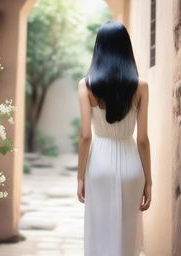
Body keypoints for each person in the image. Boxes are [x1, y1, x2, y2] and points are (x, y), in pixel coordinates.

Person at [77, 20, 152, 256]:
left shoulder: (86, 85)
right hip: (131, 165)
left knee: (98, 230)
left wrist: (80, 177)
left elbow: (85, 136)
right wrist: (149, 180)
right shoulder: (141, 86)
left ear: (98, 48)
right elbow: (142, 140)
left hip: (98, 164)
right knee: (128, 234)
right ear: (126, 49)